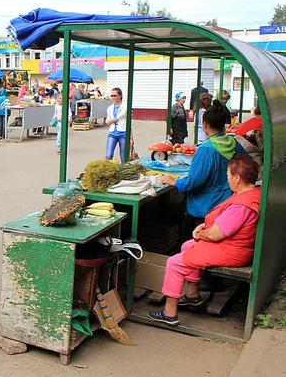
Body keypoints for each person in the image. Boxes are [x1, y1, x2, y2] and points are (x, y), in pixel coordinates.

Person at [148, 155, 261, 325]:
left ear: (237, 178)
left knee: (175, 262)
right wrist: (203, 229)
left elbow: (216, 235)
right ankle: (193, 295)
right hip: (236, 244)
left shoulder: (242, 205)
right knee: (187, 246)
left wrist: (201, 233)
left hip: (234, 250)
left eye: (229, 175)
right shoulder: (251, 193)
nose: (227, 178)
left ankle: (169, 313)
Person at [162, 100, 245, 222]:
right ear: (224, 125)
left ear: (204, 124)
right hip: (230, 202)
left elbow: (194, 180)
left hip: (208, 207)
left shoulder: (206, 150)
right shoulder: (234, 143)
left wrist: (175, 182)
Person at [105, 87, 127, 163]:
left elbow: (129, 122)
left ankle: (124, 171)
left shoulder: (125, 106)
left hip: (123, 132)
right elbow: (107, 120)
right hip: (112, 132)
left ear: (120, 96)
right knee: (108, 155)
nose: (113, 97)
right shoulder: (110, 108)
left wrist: (131, 137)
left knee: (123, 156)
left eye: (115, 95)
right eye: (112, 96)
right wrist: (109, 121)